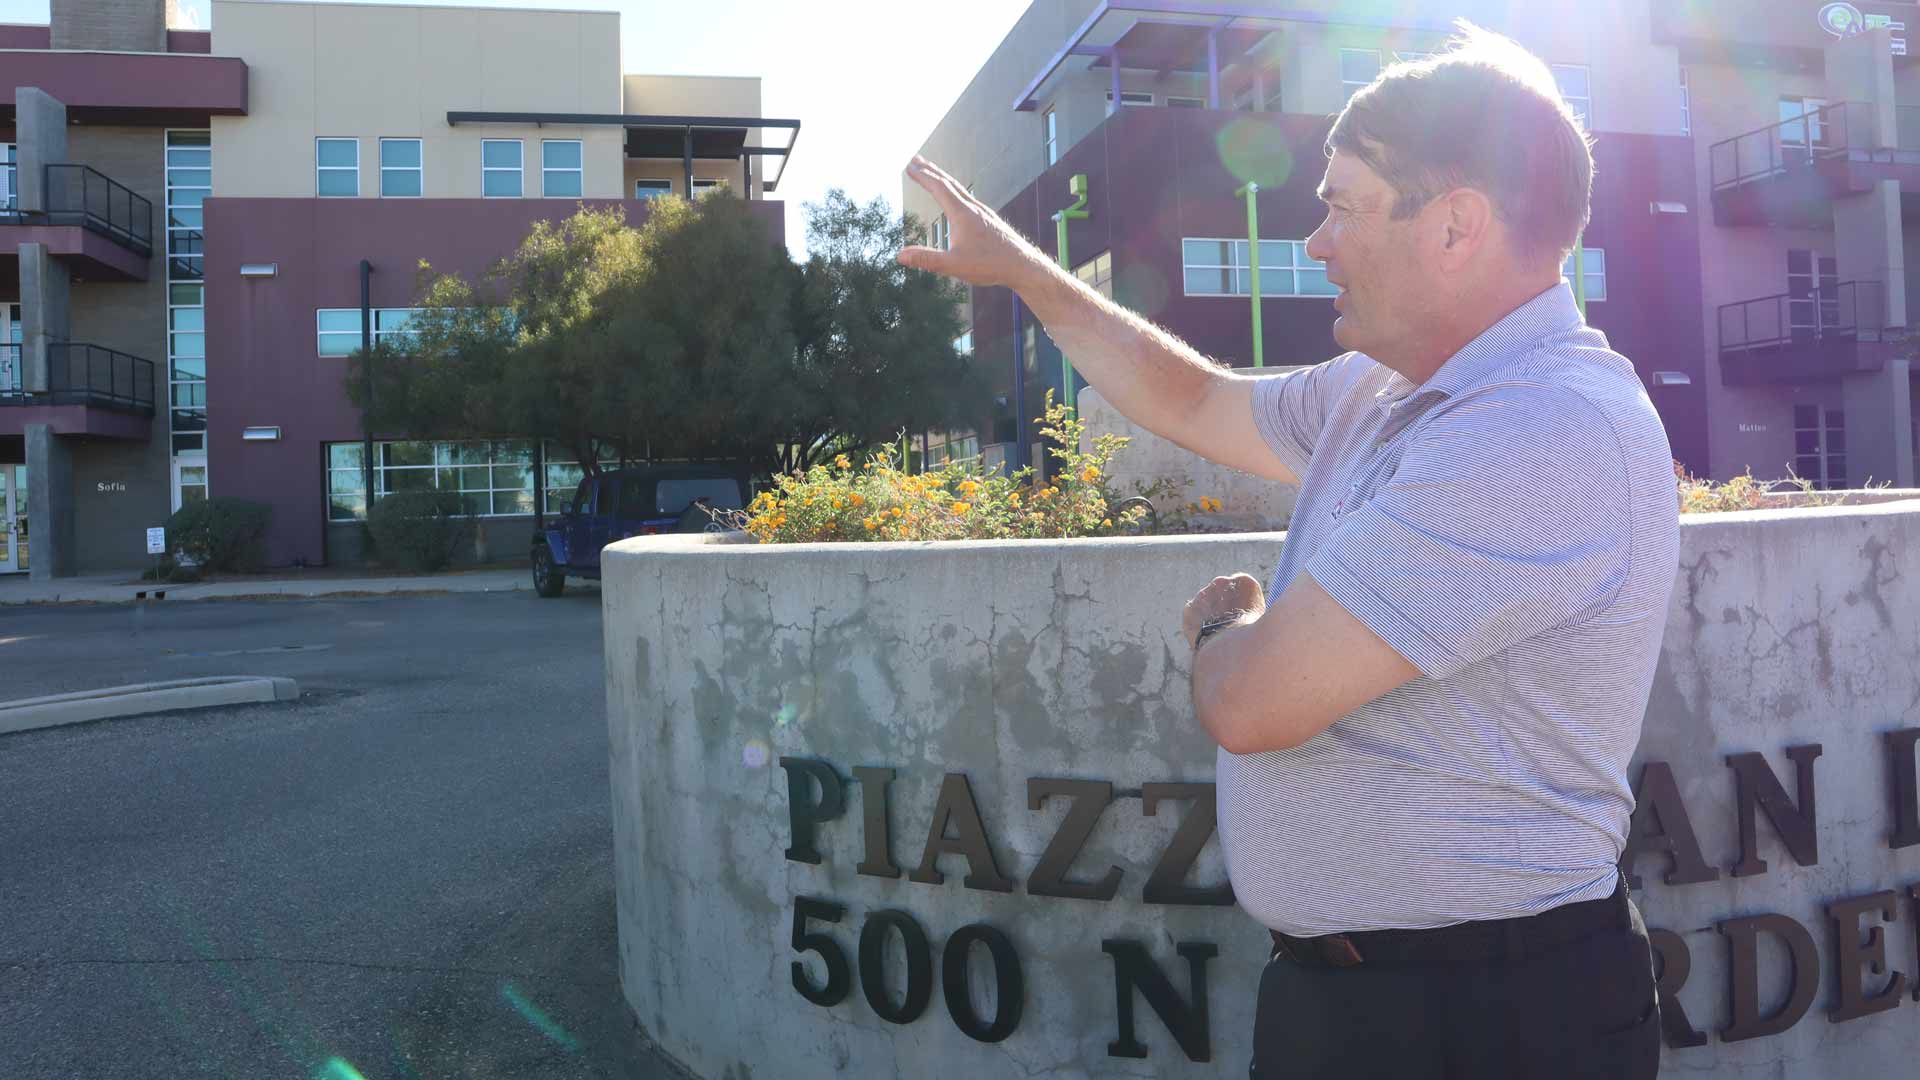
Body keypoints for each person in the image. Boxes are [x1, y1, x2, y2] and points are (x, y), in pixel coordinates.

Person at [898, 22, 1675, 1080]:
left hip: (1484, 1022)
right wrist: (1024, 272)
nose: (1315, 242)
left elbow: (1251, 702)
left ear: (1456, 228)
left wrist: (1223, 625)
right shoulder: (1385, 387)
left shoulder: (1542, 426)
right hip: (1365, 1004)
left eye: (1344, 205)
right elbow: (1195, 397)